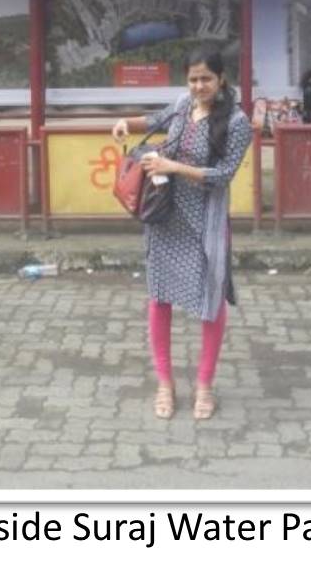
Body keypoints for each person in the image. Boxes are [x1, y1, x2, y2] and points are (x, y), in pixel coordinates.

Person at [111, 48, 253, 421]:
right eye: (192, 79)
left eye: (206, 78)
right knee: (160, 297)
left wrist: (172, 165)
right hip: (164, 214)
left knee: (211, 299)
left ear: (221, 79)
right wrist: (128, 122)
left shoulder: (238, 122)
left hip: (204, 221)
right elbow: (157, 118)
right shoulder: (182, 103)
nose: (199, 86)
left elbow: (223, 175)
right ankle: (165, 383)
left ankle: (204, 384)